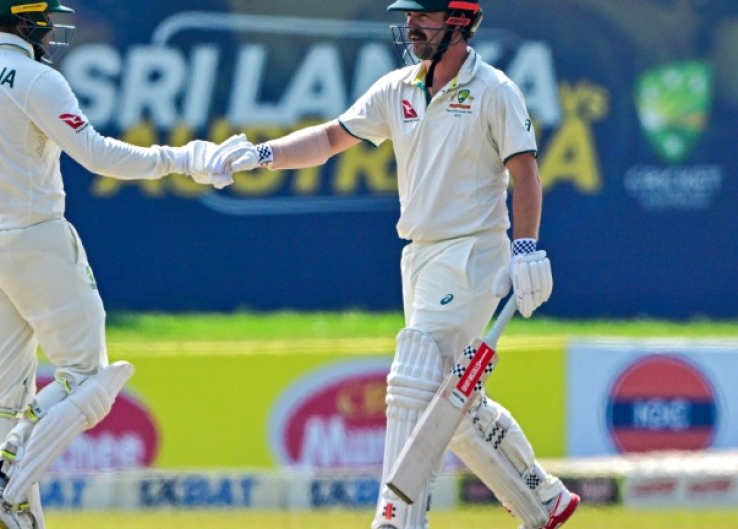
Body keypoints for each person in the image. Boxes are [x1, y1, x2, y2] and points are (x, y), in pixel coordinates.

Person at [219, 1, 578, 528]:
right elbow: (329, 139)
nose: (412, 24)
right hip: (421, 257)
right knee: (453, 402)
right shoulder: (398, 88)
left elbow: (525, 174)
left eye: (424, 15)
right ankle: (542, 499)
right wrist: (264, 154)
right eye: (409, 15)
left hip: (472, 252)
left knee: (415, 374)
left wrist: (527, 247)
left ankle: (395, 519)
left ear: (459, 21)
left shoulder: (495, 90)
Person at [0, 1, 250, 528]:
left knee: (1, 392)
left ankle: (15, 514)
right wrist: (185, 158)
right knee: (88, 378)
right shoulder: (36, 78)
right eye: (48, 19)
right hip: (33, 237)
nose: (54, 29)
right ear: (29, 20)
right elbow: (98, 155)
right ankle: (3, 467)